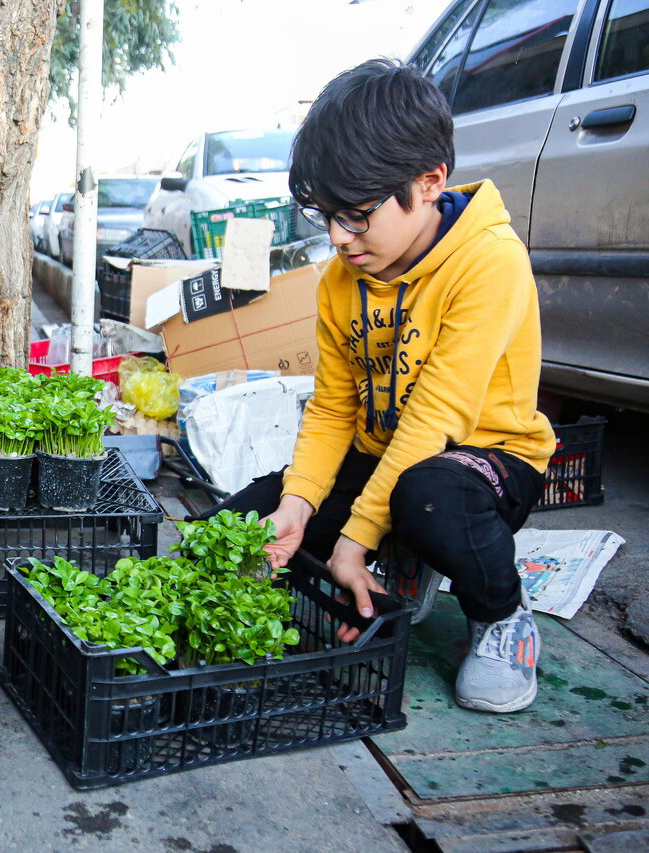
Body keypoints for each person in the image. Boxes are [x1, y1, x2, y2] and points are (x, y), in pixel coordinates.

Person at [215, 59, 555, 714]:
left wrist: (352, 536)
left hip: (480, 464)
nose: (340, 238)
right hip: (385, 459)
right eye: (326, 217)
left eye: (358, 215)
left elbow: (437, 418)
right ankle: (390, 556)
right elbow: (334, 408)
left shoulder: (490, 261)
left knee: (426, 494)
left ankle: (503, 614)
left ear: (429, 182)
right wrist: (297, 505)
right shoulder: (341, 281)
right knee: (245, 524)